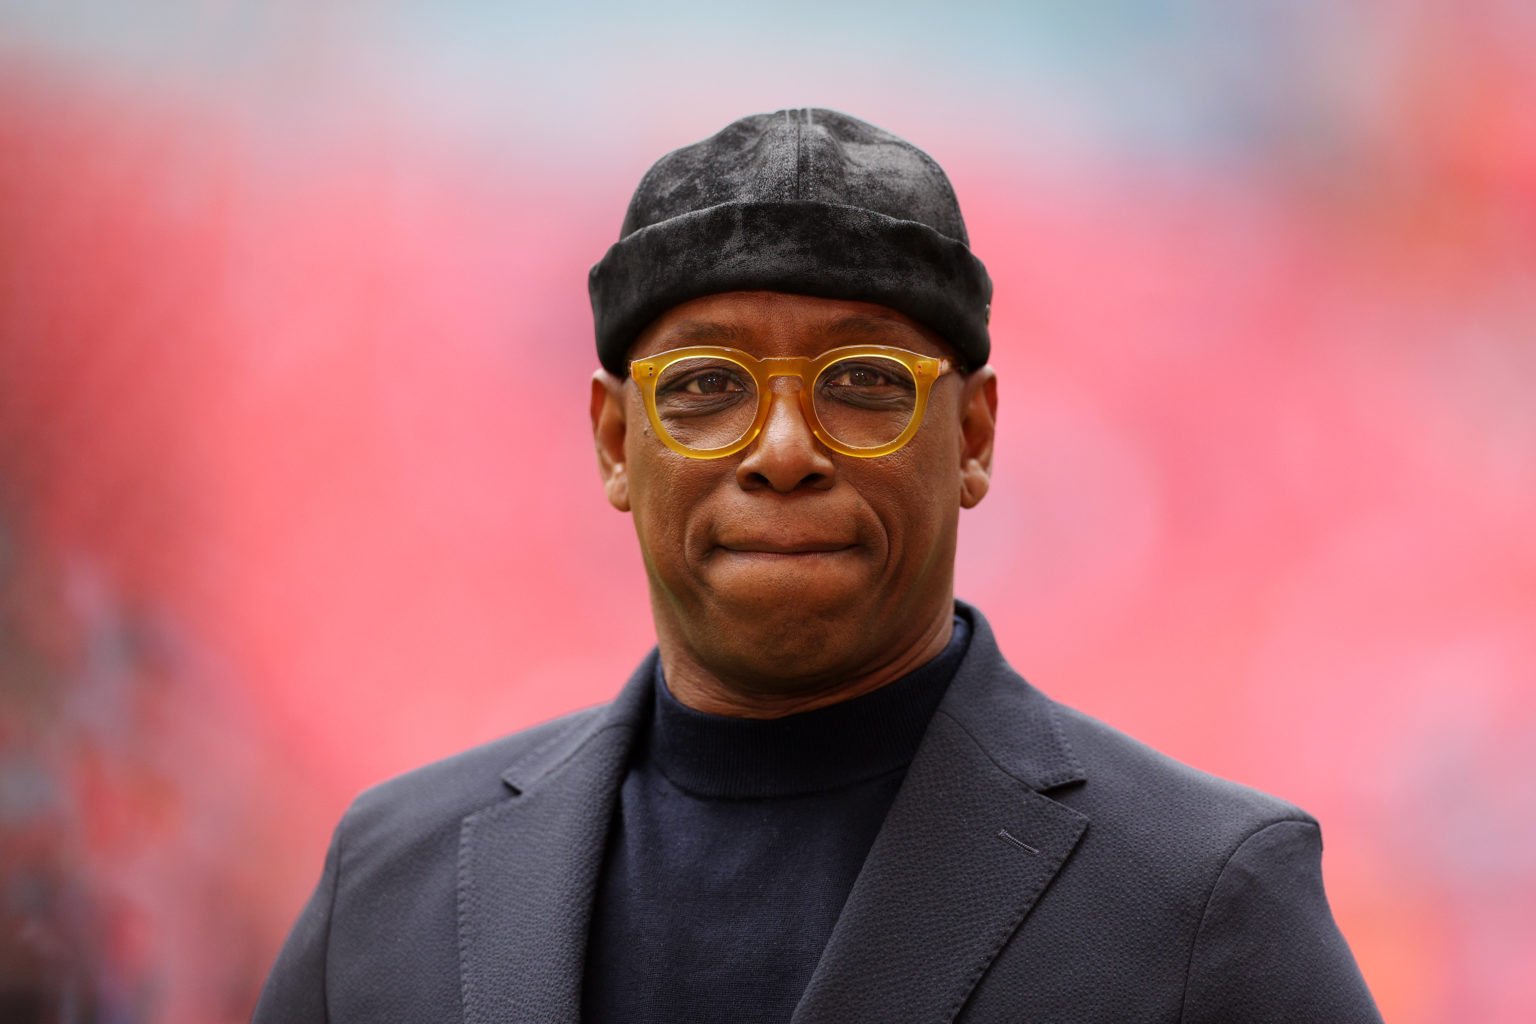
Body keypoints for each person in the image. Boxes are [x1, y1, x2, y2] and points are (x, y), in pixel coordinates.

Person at [253, 108, 1383, 1023]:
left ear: (974, 437)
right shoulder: (391, 880)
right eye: (704, 386)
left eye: (864, 383)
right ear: (614, 442)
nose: (783, 450)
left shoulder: (1207, 903)